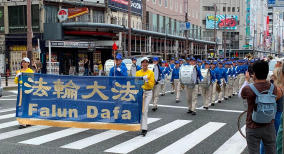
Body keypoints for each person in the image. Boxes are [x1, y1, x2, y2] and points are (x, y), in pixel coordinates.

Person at [240, 60, 282, 154]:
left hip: (253, 125)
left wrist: (247, 80)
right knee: (271, 151)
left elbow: (241, 94)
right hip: (269, 125)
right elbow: (279, 95)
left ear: (254, 74)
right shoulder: (274, 88)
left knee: (254, 152)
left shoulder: (248, 89)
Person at [260, 67, 283, 154]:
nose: (272, 77)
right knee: (278, 140)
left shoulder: (277, 89)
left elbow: (269, 103)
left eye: (273, 75)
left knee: (267, 139)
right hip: (280, 114)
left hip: (275, 116)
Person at [135, 57, 155, 137]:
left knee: (145, 109)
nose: (145, 64)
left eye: (146, 62)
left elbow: (151, 85)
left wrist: (146, 81)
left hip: (148, 92)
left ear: (148, 64)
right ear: (141, 64)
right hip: (140, 92)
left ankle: (144, 129)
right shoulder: (138, 72)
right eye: (143, 62)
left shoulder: (151, 73)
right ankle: (139, 126)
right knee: (140, 109)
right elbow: (136, 82)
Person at [14, 57, 34, 129]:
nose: (23, 63)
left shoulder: (30, 71)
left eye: (25, 62)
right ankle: (24, 121)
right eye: (22, 62)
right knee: (21, 106)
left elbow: (32, 80)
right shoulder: (19, 71)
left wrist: (24, 75)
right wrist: (17, 76)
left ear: (28, 63)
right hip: (21, 91)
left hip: (28, 91)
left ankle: (27, 121)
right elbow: (16, 82)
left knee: (27, 106)